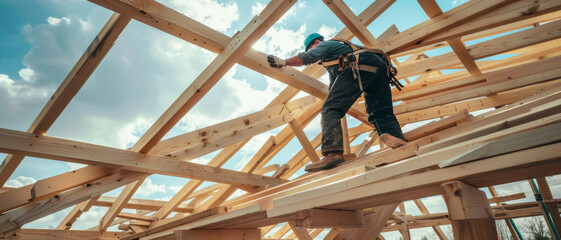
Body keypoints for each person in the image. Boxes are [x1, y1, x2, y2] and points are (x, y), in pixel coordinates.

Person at [267, 33, 406, 172]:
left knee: (330, 109)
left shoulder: (325, 44)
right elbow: (335, 84)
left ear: (316, 42)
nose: (311, 51)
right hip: (379, 68)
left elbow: (307, 58)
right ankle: (396, 138)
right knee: (379, 110)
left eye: (310, 48)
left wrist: (284, 62)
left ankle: (332, 153)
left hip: (359, 64)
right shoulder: (337, 55)